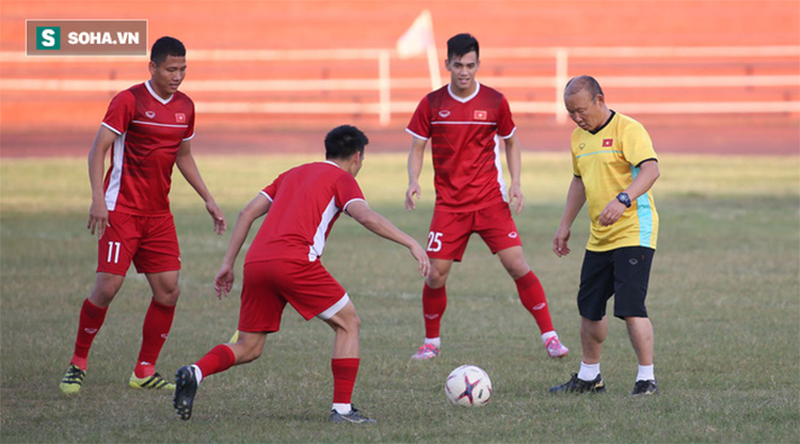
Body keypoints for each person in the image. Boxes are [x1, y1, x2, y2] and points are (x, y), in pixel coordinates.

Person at [173, 125, 430, 424]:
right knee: (349, 323)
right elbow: (365, 216)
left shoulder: (291, 174)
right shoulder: (342, 179)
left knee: (249, 346)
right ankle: (342, 410)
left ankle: (195, 371)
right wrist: (411, 242)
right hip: (294, 262)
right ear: (357, 157)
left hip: (256, 262)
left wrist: (228, 263)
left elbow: (247, 213)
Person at [59, 36, 227, 395]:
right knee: (107, 287)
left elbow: (183, 155)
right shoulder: (129, 100)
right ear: (152, 67)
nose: (177, 76)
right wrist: (98, 199)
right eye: (171, 69)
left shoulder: (185, 106)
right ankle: (78, 362)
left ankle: (144, 370)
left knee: (168, 291)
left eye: (183, 69)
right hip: (121, 209)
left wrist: (208, 198)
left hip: (158, 215)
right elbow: (98, 150)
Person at [404, 33, 568, 360]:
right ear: (447, 64)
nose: (464, 72)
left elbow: (511, 142)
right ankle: (431, 343)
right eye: (458, 65)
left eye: (470, 65)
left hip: (490, 201)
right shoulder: (432, 103)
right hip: (450, 205)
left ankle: (550, 337)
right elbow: (417, 147)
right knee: (435, 274)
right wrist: (413, 180)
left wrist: (516, 183)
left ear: (478, 64)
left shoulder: (494, 101)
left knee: (517, 264)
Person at [549, 75, 660, 396]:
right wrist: (565, 224)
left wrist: (624, 199)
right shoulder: (578, 139)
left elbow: (651, 170)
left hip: (634, 231)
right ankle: (590, 377)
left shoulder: (629, 129)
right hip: (600, 236)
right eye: (571, 112)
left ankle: (646, 379)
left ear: (600, 100)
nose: (576, 118)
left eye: (581, 110)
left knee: (630, 306)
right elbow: (579, 182)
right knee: (590, 307)